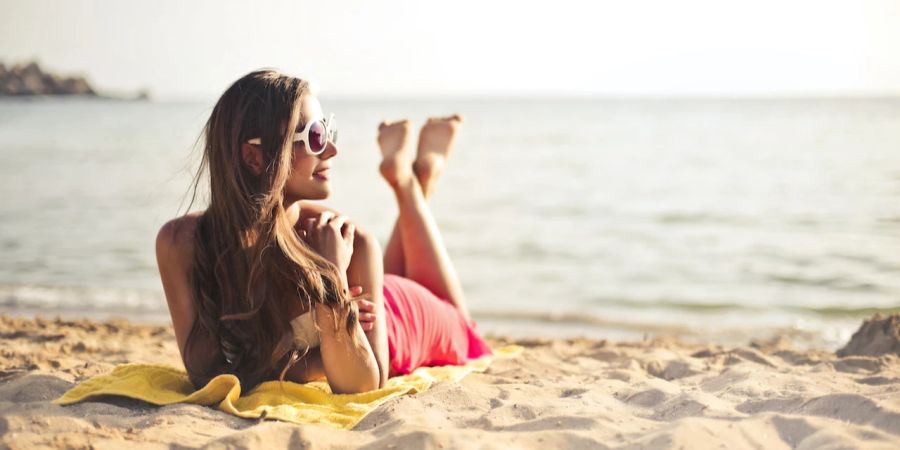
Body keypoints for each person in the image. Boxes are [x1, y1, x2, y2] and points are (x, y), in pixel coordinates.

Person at [155, 69, 491, 394]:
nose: (331, 150)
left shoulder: (346, 241)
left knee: (465, 330)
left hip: (404, 320)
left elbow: (363, 384)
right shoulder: (180, 244)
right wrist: (322, 346)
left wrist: (331, 278)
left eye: (328, 132)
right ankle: (416, 178)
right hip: (364, 301)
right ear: (253, 157)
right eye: (315, 137)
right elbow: (204, 375)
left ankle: (408, 181)